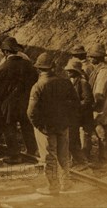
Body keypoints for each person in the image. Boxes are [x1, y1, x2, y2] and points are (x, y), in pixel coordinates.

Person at [27, 53, 80, 195]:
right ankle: (65, 182)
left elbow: (31, 112)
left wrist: (39, 126)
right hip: (62, 125)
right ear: (53, 67)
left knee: (49, 157)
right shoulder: (65, 82)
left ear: (39, 69)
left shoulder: (38, 86)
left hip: (46, 128)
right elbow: (75, 104)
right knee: (63, 155)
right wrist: (67, 120)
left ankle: (53, 187)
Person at [0, 36, 38, 163]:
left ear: (6, 52)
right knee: (26, 126)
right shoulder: (28, 65)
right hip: (26, 101)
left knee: (9, 128)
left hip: (9, 104)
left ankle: (14, 155)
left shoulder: (3, 67)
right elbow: (35, 82)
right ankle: (31, 151)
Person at [87, 43, 107, 166]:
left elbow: (99, 93)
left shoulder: (103, 72)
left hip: (101, 108)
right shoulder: (102, 69)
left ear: (97, 58)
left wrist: (93, 107)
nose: (90, 59)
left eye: (92, 57)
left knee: (101, 133)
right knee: (102, 134)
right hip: (104, 107)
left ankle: (104, 161)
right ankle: (103, 159)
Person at [64, 57, 94, 166]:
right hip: (75, 114)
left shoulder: (83, 82)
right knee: (73, 137)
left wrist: (74, 106)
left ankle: (84, 158)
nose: (67, 72)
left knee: (84, 136)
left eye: (70, 70)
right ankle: (76, 159)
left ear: (75, 71)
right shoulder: (70, 81)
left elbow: (87, 100)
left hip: (83, 114)